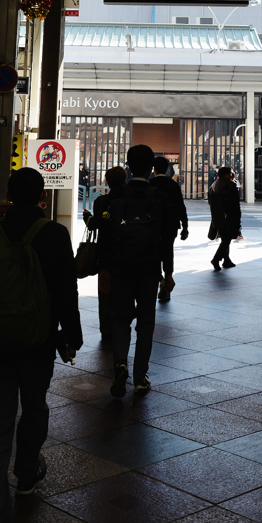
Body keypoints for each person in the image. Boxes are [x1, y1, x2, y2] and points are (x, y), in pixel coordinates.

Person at [0, 167, 82, 523]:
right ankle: (26, 471)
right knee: (35, 407)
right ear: (42, 198)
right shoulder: (54, 234)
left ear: (6, 193)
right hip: (38, 342)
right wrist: (71, 337)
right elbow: (67, 289)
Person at [91, 144, 173, 397]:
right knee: (146, 322)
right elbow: (167, 239)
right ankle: (140, 377)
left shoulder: (111, 198)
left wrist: (104, 269)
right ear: (151, 168)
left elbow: (104, 236)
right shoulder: (161, 198)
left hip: (119, 268)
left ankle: (119, 366)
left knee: (120, 319)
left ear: (128, 166)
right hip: (149, 269)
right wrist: (168, 273)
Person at [83, 165, 128, 342]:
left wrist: (87, 217)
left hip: (108, 256)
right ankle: (123, 327)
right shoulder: (134, 198)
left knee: (106, 294)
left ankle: (107, 331)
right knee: (125, 294)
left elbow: (96, 225)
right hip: (130, 255)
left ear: (107, 181)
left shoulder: (102, 201)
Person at [150, 155, 188, 302]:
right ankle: (168, 278)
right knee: (168, 251)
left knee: (154, 253)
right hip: (171, 225)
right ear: (167, 169)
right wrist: (185, 226)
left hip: (153, 225)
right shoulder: (173, 185)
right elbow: (181, 207)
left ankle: (160, 281)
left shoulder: (150, 184)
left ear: (154, 169)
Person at [208, 165, 241, 271]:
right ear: (226, 175)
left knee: (224, 238)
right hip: (229, 217)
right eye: (231, 173)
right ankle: (216, 259)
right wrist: (237, 218)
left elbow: (210, 202)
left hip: (217, 216)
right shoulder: (231, 186)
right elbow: (235, 204)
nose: (232, 175)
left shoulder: (213, 186)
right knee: (227, 240)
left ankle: (226, 260)